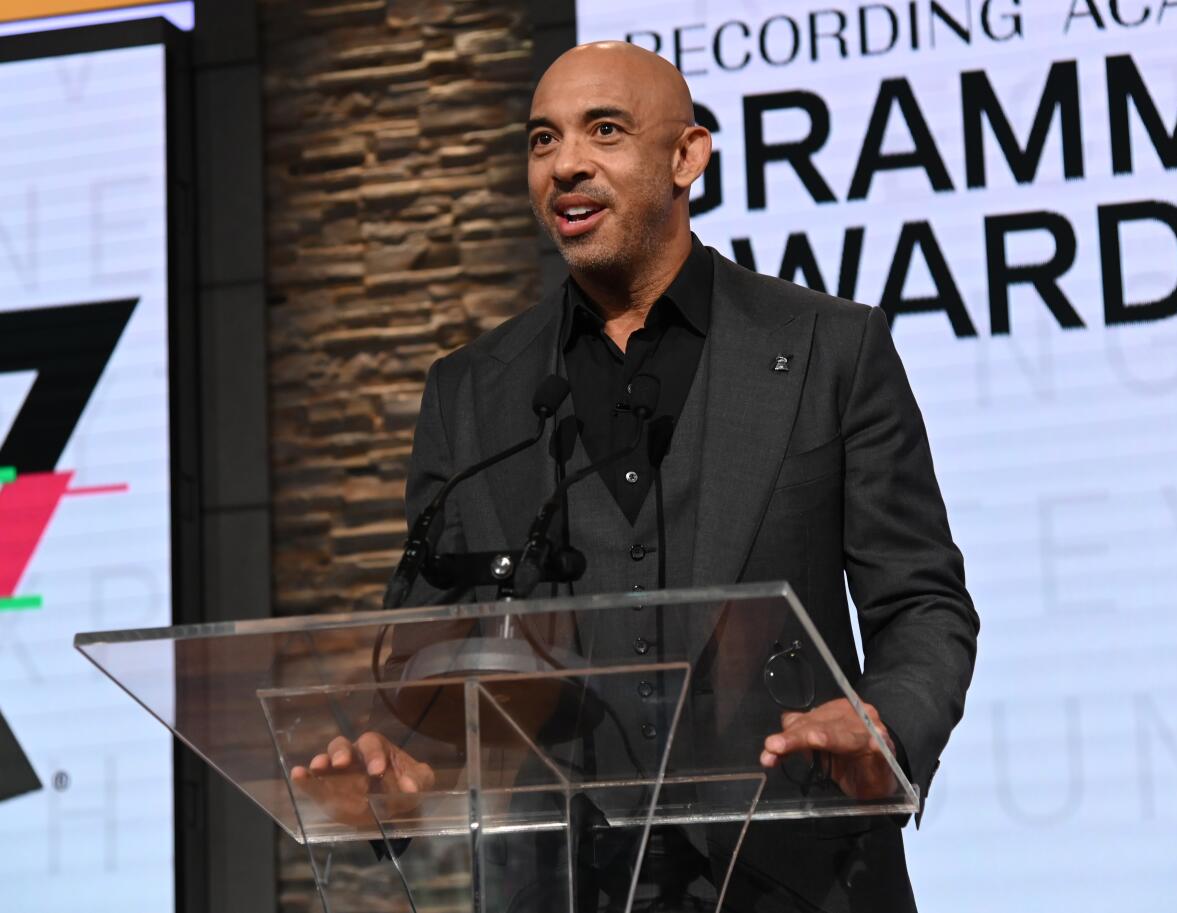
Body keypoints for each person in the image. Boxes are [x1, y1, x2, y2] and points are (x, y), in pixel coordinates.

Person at [293, 41, 978, 912]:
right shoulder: (469, 392)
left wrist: (883, 723)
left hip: (807, 874)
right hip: (563, 884)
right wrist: (396, 754)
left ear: (687, 155)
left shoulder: (828, 349)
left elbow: (922, 601)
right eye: (543, 141)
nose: (566, 164)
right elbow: (434, 649)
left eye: (603, 131)